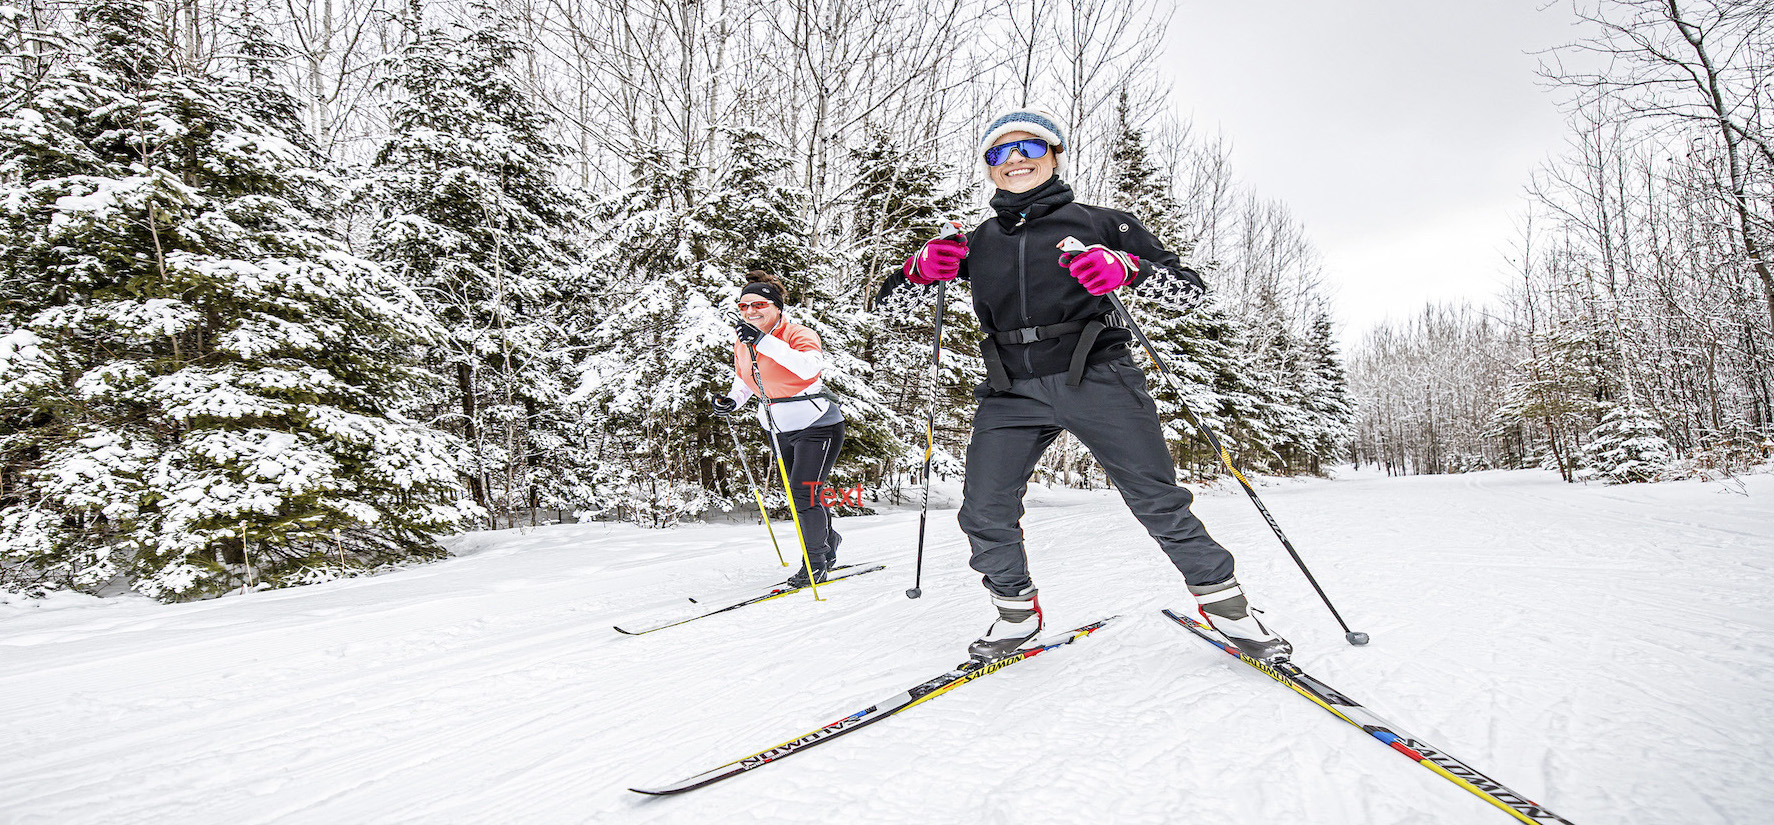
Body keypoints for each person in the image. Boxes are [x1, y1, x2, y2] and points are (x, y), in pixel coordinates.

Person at [874, 107, 1292, 662]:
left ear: (1054, 155)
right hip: (1009, 387)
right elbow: (884, 306)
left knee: (1155, 499)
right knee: (984, 506)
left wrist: (1127, 269)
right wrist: (915, 272)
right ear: (989, 167)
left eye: (1030, 148)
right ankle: (1015, 613)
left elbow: (1192, 292)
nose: (1015, 160)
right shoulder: (975, 243)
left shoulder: (1101, 223)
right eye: (1000, 152)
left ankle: (1230, 610)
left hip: (1096, 373)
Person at [714, 270, 845, 588]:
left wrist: (764, 342)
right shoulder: (742, 341)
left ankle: (814, 564)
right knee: (803, 493)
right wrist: (733, 400)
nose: (750, 311)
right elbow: (746, 379)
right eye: (743, 306)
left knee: (804, 493)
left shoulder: (798, 333)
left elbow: (809, 368)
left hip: (818, 425)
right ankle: (829, 542)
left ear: (776, 307)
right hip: (778, 427)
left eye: (758, 304)